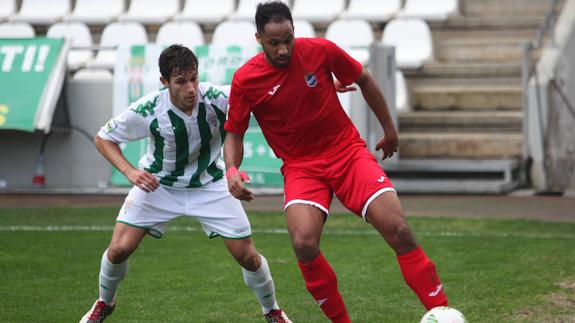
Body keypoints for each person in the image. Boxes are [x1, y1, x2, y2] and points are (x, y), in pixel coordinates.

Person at [223, 2, 449, 322]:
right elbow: (234, 132)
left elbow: (365, 80)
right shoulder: (246, 79)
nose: (284, 49)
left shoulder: (321, 50)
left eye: (288, 39)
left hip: (346, 152)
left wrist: (389, 129)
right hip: (301, 167)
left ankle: (442, 312)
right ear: (259, 38)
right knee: (303, 242)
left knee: (398, 228)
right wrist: (231, 169)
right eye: (275, 42)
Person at [80, 44, 291, 323]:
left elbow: (270, 93)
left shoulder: (217, 98)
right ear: (165, 82)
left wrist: (322, 86)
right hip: (159, 186)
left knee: (248, 256)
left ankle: (272, 310)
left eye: (194, 78)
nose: (191, 88)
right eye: (181, 82)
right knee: (119, 249)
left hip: (210, 185)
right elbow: (103, 138)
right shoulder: (148, 108)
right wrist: (130, 172)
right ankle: (104, 303)